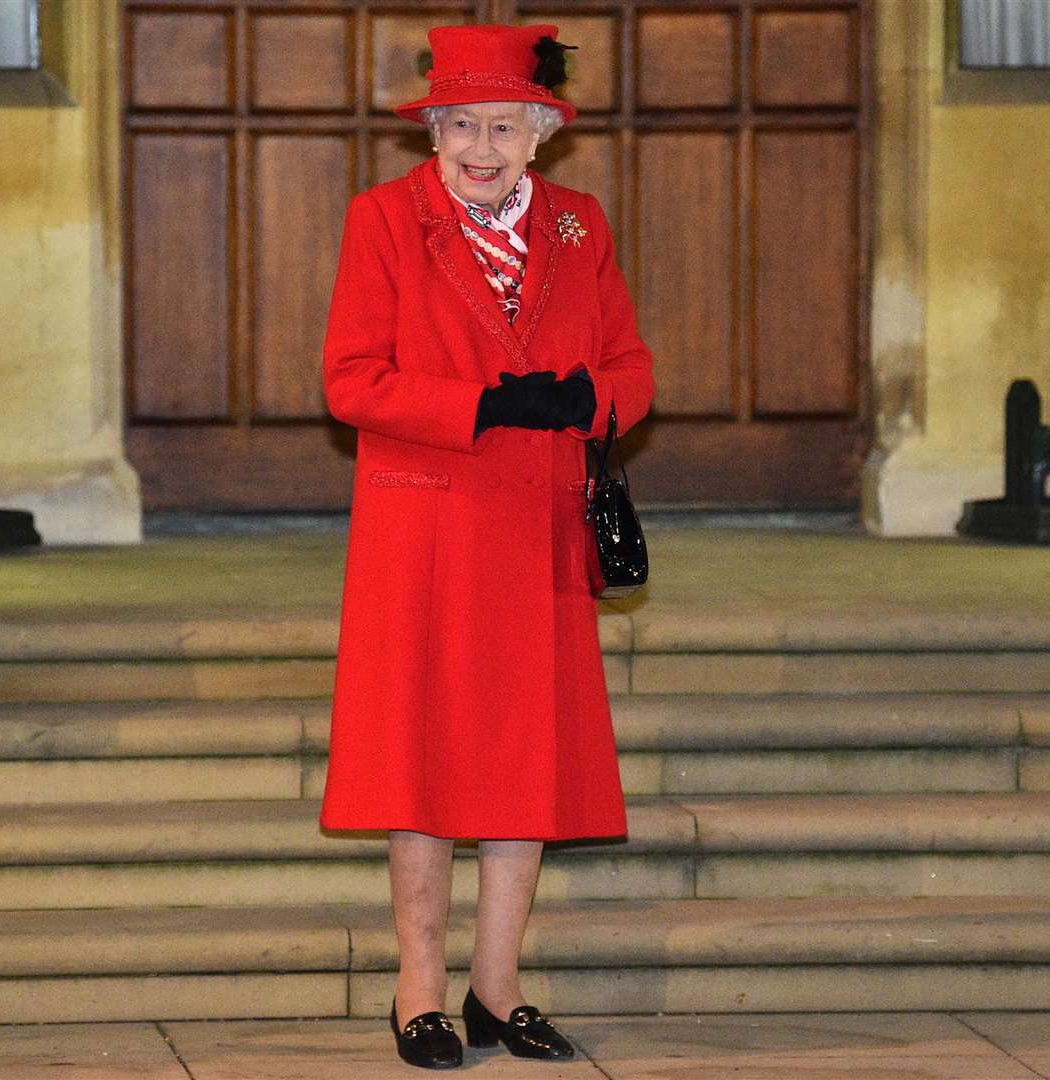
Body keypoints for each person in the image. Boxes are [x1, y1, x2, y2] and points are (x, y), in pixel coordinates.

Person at [317, 22, 654, 1072]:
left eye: (502, 126)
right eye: (460, 124)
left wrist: (588, 400)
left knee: (523, 761)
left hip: (540, 531)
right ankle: (417, 989)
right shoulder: (383, 221)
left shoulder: (579, 228)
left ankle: (495, 990)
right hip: (425, 531)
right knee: (420, 761)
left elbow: (635, 370)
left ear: (541, 133)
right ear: (433, 132)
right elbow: (350, 381)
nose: (479, 146)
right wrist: (479, 405)